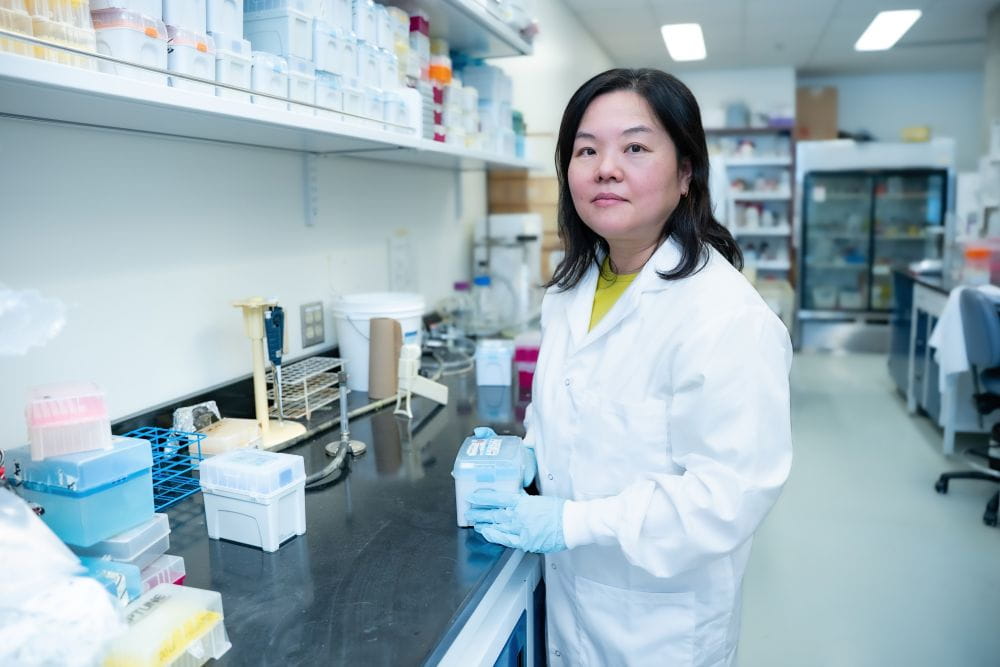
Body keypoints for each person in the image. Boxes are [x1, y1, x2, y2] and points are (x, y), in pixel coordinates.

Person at [465, 68, 793, 666]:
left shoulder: (725, 317)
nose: (604, 168)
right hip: (570, 599)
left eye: (635, 148)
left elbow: (726, 498)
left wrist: (570, 522)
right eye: (586, 150)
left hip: (657, 626)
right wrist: (531, 454)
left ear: (686, 172)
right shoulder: (571, 290)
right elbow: (565, 406)